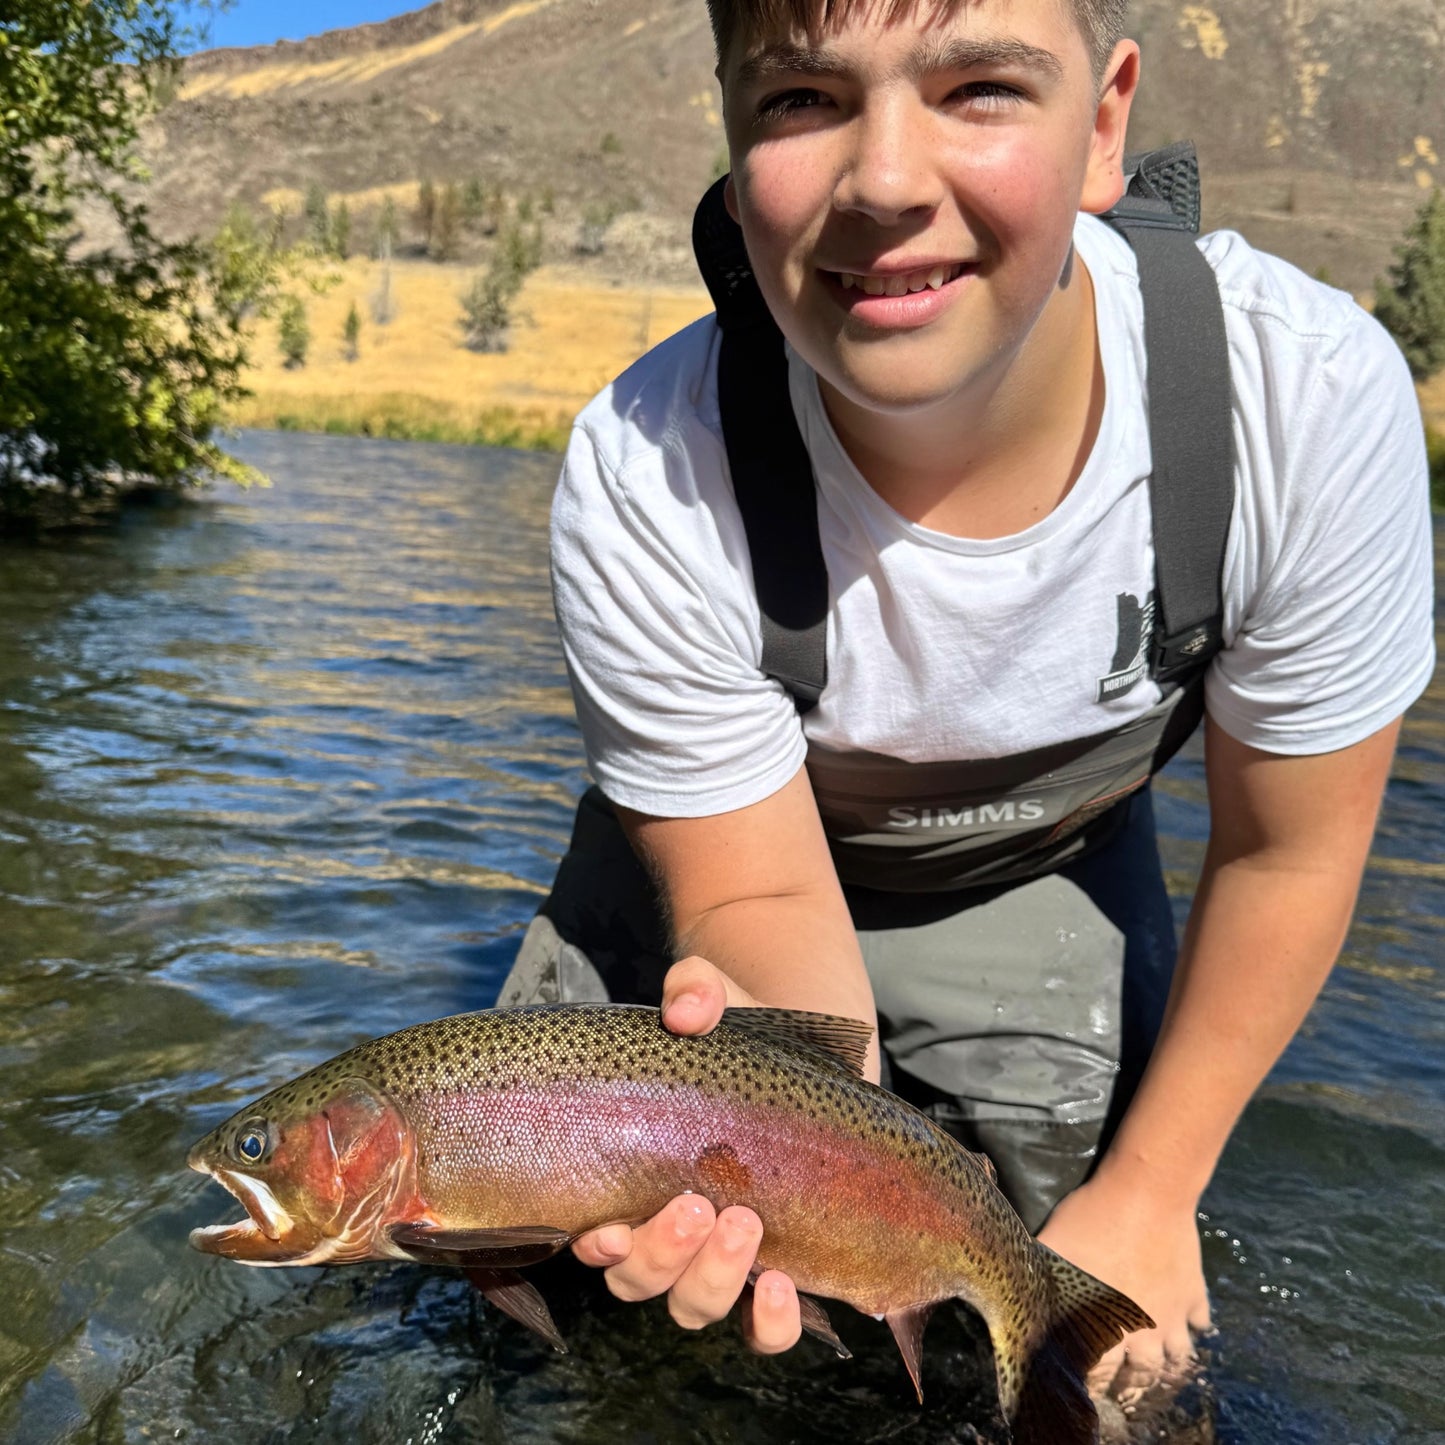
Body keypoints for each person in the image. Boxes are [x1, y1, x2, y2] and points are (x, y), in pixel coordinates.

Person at [497, 0, 1436, 1407]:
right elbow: (751, 898)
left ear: (1104, 122)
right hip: (723, 880)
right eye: (803, 100)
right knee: (530, 1281)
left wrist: (1151, 1192)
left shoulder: (1294, 398)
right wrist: (783, 1160)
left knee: (1083, 1342)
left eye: (980, 87)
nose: (883, 180)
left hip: (1042, 867)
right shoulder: (649, 469)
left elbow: (1285, 852)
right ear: (729, 129)